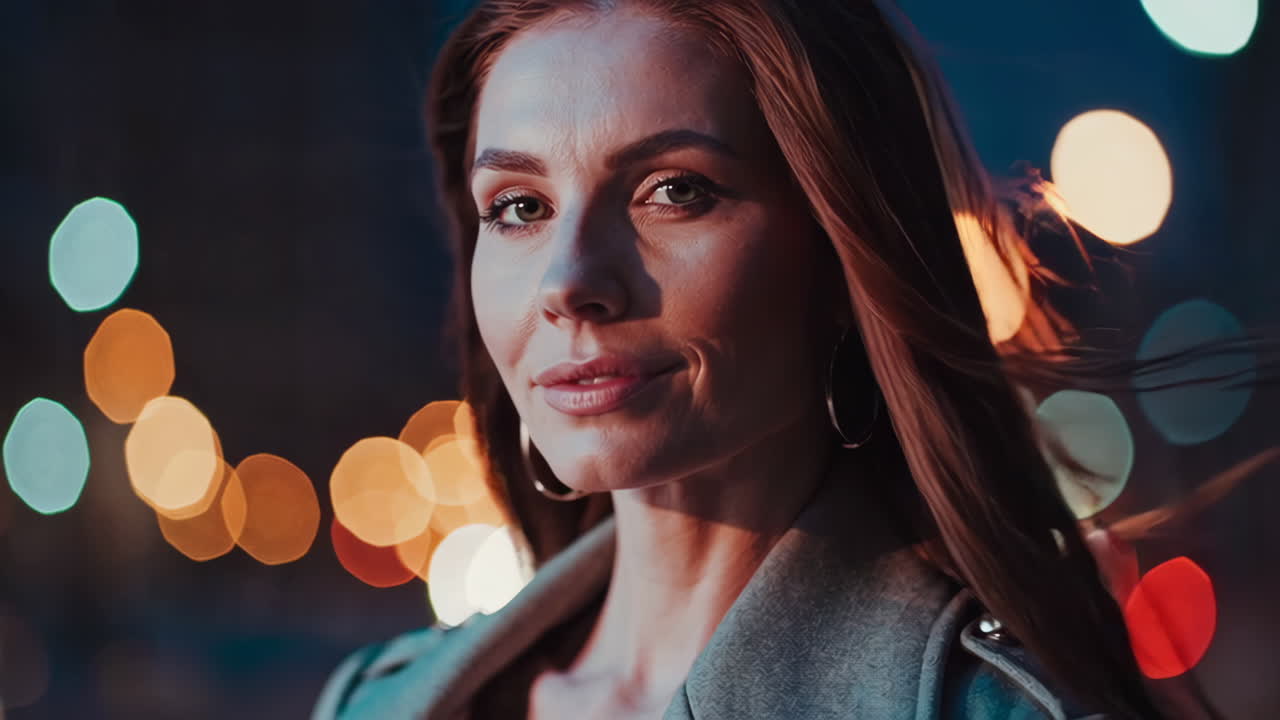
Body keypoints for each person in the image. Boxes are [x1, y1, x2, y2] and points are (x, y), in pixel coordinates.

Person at [314, 1, 1277, 717]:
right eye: (519, 207)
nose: (568, 281)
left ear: (840, 251)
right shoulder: (377, 704)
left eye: (674, 192)